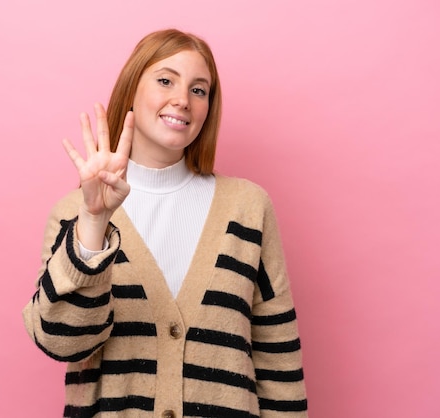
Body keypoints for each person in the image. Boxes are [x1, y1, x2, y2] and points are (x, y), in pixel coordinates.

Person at [22, 28, 308, 418]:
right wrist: (93, 222)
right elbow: (61, 342)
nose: (182, 100)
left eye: (199, 89)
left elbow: (279, 354)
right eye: (165, 80)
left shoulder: (248, 207)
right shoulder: (74, 214)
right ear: (131, 91)